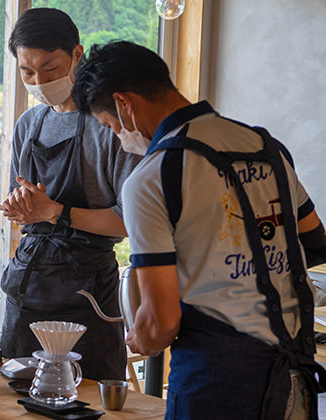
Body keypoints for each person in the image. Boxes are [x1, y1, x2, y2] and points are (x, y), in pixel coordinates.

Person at [72, 40, 326, 419]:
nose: (118, 139)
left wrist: (140, 337)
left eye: (110, 126)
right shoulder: (266, 147)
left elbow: (160, 322)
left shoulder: (152, 178)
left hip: (219, 386)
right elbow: (315, 244)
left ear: (124, 104)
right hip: (295, 380)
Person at [0, 8, 141, 381]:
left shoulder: (108, 126)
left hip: (86, 295)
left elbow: (128, 222)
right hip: (27, 285)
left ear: (76, 55)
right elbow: (27, 203)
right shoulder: (29, 123)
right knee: (15, 396)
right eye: (27, 72)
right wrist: (20, 208)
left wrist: (55, 212)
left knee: (88, 400)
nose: (38, 81)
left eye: (50, 69)